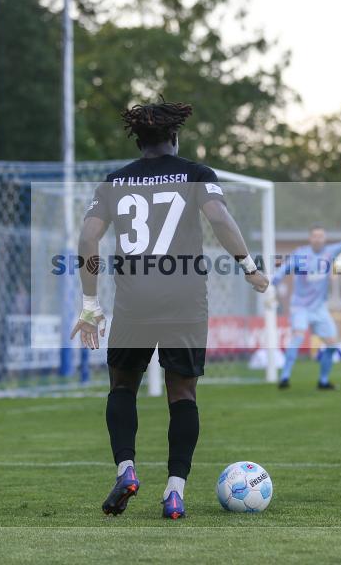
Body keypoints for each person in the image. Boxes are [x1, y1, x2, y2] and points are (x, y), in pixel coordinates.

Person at [70, 99, 269, 519]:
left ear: (139, 140)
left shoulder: (114, 182)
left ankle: (127, 468)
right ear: (175, 137)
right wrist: (250, 267)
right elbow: (219, 218)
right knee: (182, 392)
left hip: (133, 299)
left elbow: (88, 240)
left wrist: (90, 303)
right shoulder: (197, 175)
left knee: (122, 388)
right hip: (184, 299)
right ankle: (174, 491)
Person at [271, 224, 341, 390]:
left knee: (332, 344)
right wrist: (272, 283)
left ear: (324, 239)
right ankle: (284, 377)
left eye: (321, 236)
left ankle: (323, 381)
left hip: (319, 308)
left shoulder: (330, 252)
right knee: (297, 337)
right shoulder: (300, 254)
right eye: (315, 236)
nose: (318, 239)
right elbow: (283, 269)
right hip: (300, 307)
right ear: (310, 238)